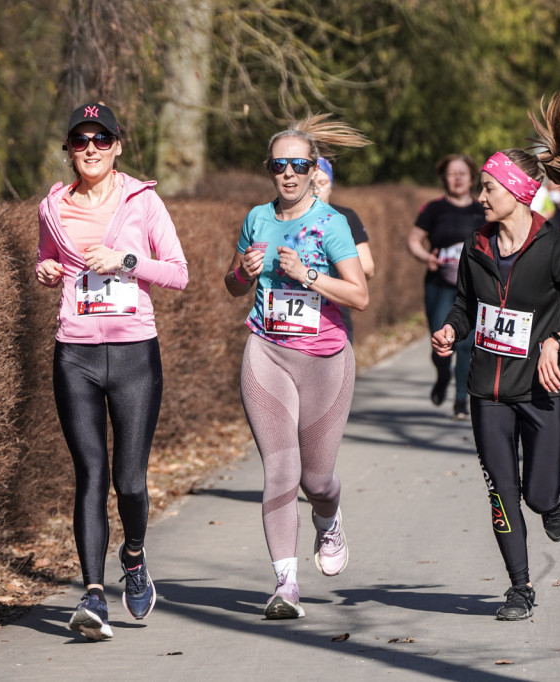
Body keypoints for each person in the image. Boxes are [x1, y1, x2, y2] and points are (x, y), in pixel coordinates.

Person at [431, 88, 560, 621]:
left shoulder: (557, 249)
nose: (480, 198)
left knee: (536, 495)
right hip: (486, 391)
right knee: (502, 493)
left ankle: (556, 501)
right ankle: (519, 588)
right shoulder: (476, 245)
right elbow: (465, 306)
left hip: (541, 390)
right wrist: (450, 330)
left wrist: (559, 340)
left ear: (515, 191)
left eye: (488, 188)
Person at [35, 102, 188, 640]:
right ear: (69, 150)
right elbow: (46, 258)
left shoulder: (143, 202)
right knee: (90, 476)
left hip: (133, 355)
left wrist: (124, 262)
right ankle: (94, 595)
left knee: (129, 481)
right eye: (80, 141)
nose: (91, 149)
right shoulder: (53, 207)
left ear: (118, 146)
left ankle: (136, 556)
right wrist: (45, 268)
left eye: (102, 140)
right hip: (74, 352)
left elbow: (178, 272)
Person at [224, 114, 369, 619]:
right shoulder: (256, 218)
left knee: (317, 478)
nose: (287, 174)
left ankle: (328, 520)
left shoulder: (332, 225)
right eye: (278, 165)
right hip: (265, 350)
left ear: (313, 170)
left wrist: (308, 274)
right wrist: (241, 273)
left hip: (325, 358)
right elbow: (233, 284)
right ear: (269, 169)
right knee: (279, 467)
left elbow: (360, 295)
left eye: (298, 165)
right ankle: (285, 585)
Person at [407, 154, 485, 420]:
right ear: (444, 179)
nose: (458, 178)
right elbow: (414, 240)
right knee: (440, 340)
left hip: (472, 288)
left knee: (465, 344)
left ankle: (461, 400)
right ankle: (443, 375)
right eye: (452, 173)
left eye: (463, 173)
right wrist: (425, 257)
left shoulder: (482, 210)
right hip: (439, 285)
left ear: (473, 178)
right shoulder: (434, 209)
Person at [313, 157, 376, 343]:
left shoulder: (345, 217)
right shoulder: (283, 217)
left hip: (334, 311)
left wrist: (334, 267)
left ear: (331, 185)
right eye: (310, 183)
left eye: (322, 183)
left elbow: (368, 268)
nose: (316, 189)